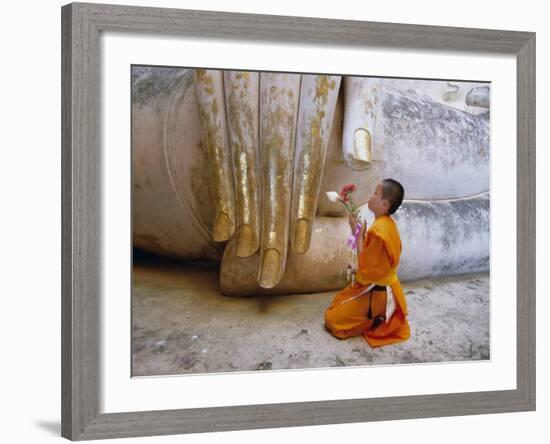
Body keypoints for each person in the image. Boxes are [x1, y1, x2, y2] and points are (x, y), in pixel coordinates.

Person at [324, 178, 410, 347]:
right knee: (337, 302)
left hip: (377, 293)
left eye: (375, 193)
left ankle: (377, 318)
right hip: (383, 287)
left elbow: (365, 272)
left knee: (332, 321)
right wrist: (360, 234)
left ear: (384, 204)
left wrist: (357, 236)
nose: (370, 196)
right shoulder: (386, 224)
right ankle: (375, 314)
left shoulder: (378, 232)